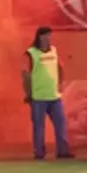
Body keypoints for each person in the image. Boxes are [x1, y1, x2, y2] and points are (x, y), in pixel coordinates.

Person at [24, 26, 71, 160]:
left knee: (60, 123)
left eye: (50, 35)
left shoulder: (54, 50)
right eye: (46, 35)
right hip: (38, 97)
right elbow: (25, 74)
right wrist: (28, 93)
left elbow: (61, 66)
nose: (49, 38)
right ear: (40, 37)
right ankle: (39, 152)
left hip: (54, 96)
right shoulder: (31, 53)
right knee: (39, 126)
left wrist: (61, 82)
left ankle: (63, 151)